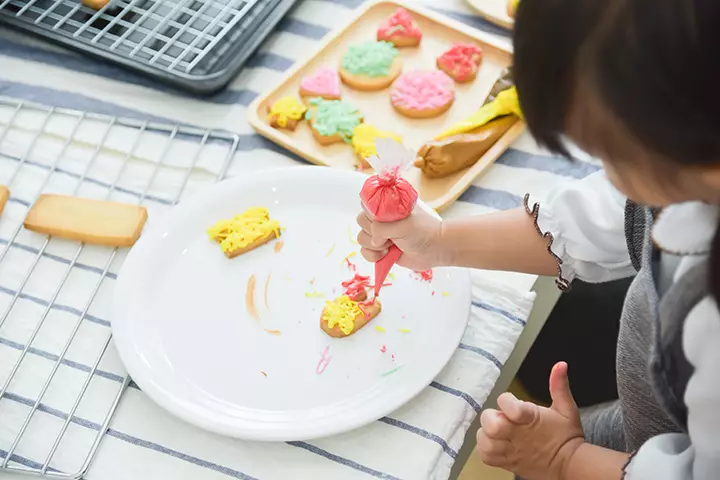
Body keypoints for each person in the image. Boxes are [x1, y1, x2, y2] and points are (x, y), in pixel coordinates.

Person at [355, 0, 720, 478]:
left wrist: (562, 459)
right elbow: (613, 216)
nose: (606, 177)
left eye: (611, 158)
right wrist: (439, 241)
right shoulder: (692, 165)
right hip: (655, 383)